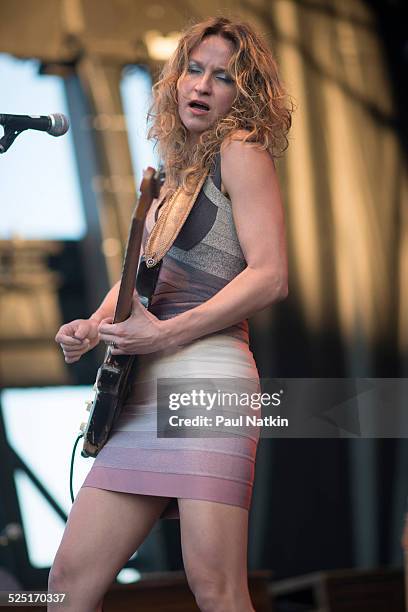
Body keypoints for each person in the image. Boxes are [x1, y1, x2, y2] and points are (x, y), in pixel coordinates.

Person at [49, 16, 292, 612]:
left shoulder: (242, 150)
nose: (202, 86)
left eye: (224, 77)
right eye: (195, 68)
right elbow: (141, 276)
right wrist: (91, 324)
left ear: (246, 94)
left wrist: (162, 334)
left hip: (210, 384)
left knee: (216, 586)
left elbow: (271, 276)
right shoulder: (171, 174)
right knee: (64, 584)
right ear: (175, 77)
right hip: (141, 396)